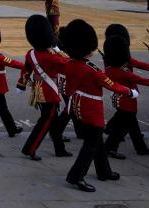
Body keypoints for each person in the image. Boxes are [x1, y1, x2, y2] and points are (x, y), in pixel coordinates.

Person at [59, 19, 134, 193]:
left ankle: (104, 171)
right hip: (91, 109)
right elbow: (111, 85)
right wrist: (130, 92)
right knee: (90, 144)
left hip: (77, 105)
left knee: (97, 141)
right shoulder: (91, 69)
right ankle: (76, 176)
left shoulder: (69, 64)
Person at [17, 14, 71, 160]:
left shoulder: (31, 53)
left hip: (38, 90)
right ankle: (30, 148)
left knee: (52, 122)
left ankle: (60, 148)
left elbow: (26, 70)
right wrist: (59, 50)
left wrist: (21, 85)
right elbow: (68, 64)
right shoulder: (52, 56)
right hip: (49, 91)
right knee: (45, 121)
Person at [102, 34, 149, 158]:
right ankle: (109, 148)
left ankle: (141, 148)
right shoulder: (121, 71)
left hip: (122, 100)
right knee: (119, 129)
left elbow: (142, 65)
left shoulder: (113, 66)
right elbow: (143, 80)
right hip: (127, 102)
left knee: (132, 126)